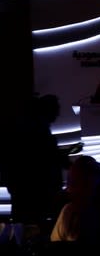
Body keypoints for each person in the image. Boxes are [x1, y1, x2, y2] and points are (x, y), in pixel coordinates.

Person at [3, 93, 75, 234]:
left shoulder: (26, 128)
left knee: (22, 222)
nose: (58, 114)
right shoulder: (40, 131)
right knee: (34, 223)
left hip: (23, 187)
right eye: (56, 110)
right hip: (37, 188)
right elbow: (48, 156)